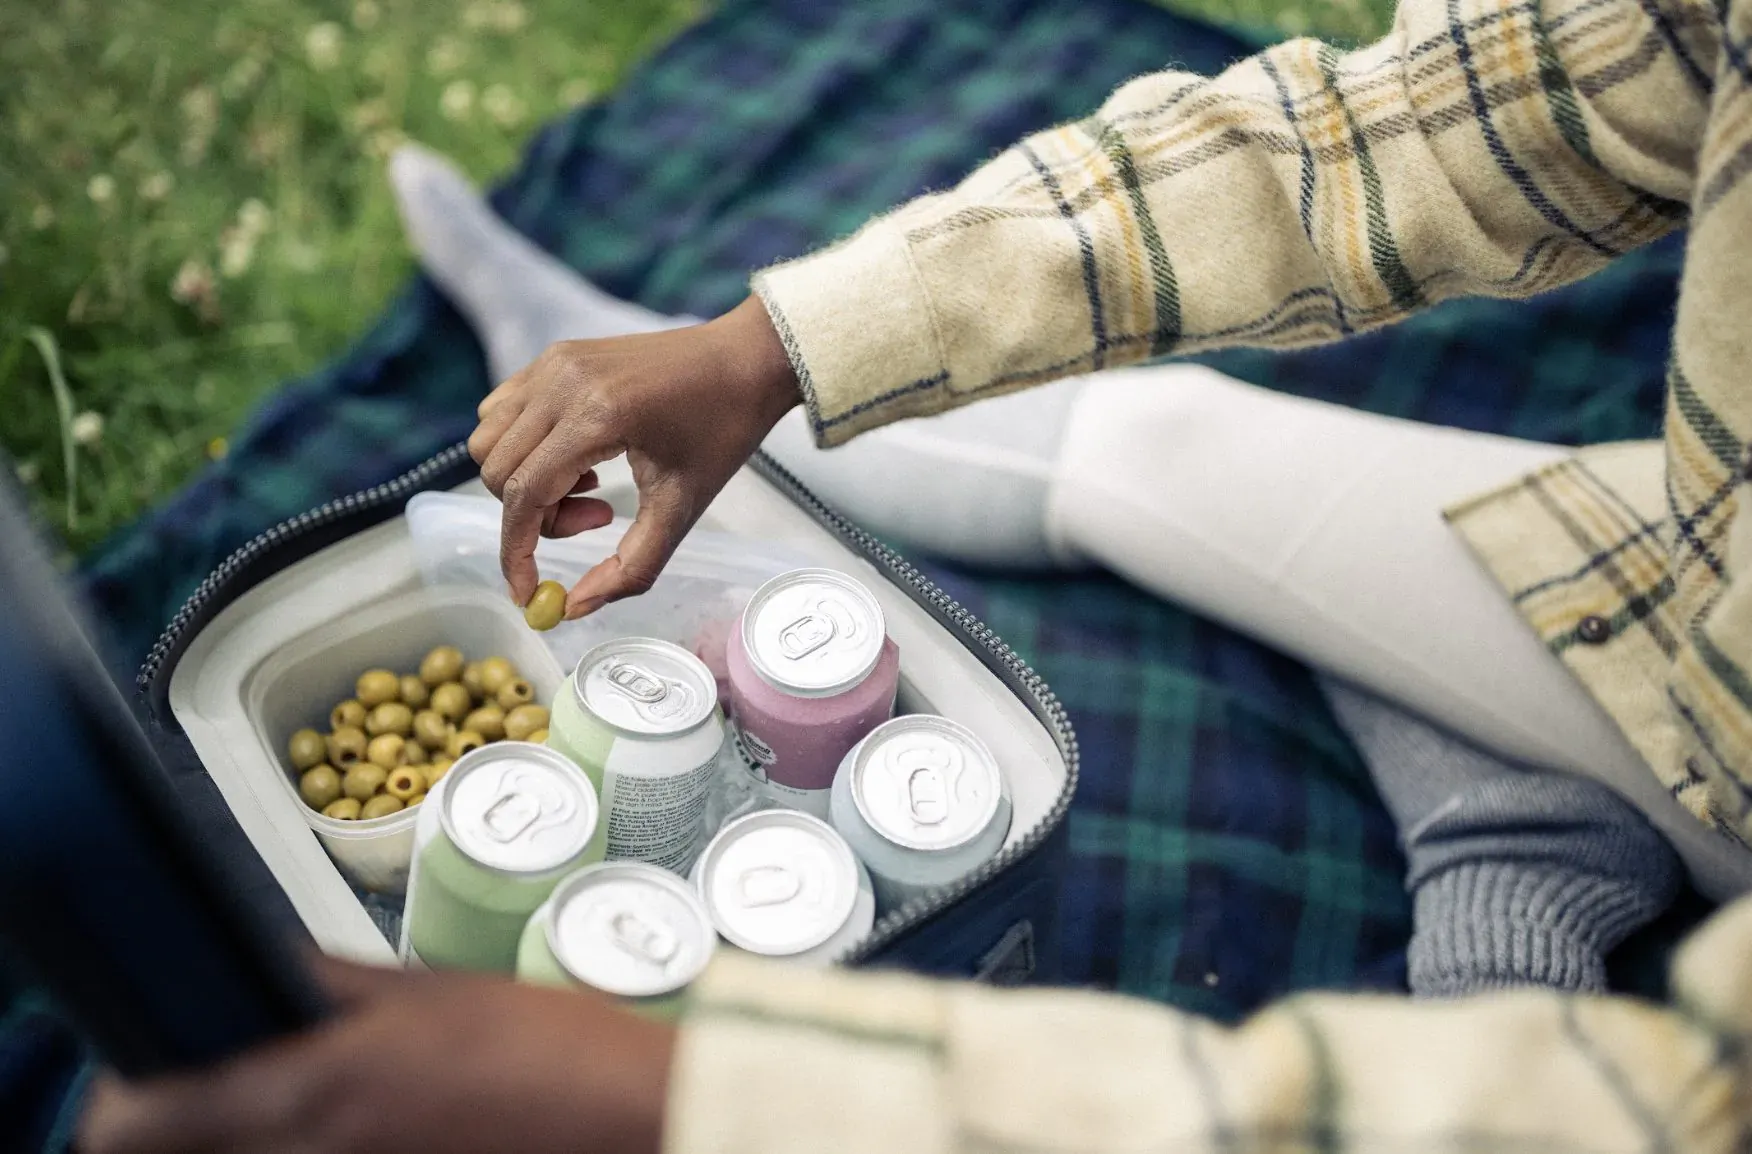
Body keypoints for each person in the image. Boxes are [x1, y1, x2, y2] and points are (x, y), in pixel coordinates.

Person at [80, 0, 1752, 1142]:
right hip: (1697, 589)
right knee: (1152, 451)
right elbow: (1410, 129)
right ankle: (1525, 799)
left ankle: (1506, 828)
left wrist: (692, 1102)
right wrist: (777, 345)